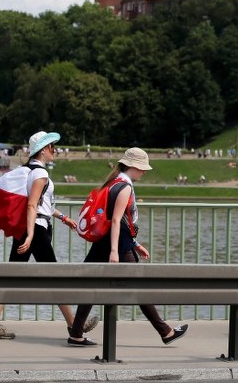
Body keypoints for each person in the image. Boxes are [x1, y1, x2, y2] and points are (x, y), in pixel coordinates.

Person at [0, 131, 99, 340]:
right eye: (52, 147)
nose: (54, 150)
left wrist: (63, 217)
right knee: (54, 277)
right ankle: (75, 329)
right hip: (35, 229)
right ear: (44, 149)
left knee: (11, 274)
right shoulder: (40, 174)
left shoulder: (29, 171)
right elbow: (32, 205)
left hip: (30, 226)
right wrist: (30, 235)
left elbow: (39, 205)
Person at [68, 148, 188, 346]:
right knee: (139, 286)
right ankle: (166, 332)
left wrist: (136, 244)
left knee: (90, 286)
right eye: (142, 168)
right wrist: (116, 251)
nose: (144, 172)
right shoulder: (124, 187)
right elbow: (116, 221)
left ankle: (76, 333)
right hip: (117, 243)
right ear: (133, 166)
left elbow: (120, 221)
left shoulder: (113, 183)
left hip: (105, 241)